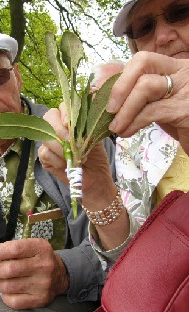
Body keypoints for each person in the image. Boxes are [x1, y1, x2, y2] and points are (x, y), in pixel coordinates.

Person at [0, 28, 116, 312]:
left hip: (68, 293)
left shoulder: (73, 138)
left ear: (17, 77)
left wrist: (64, 271)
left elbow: (115, 243)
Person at [34, 0, 189, 269]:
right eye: (144, 27)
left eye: (182, 12)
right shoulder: (136, 138)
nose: (163, 37)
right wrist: (98, 192)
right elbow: (138, 270)